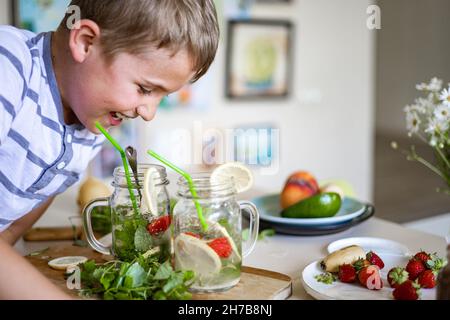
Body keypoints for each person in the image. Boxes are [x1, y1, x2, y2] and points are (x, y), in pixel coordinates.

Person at [0, 0, 219, 299]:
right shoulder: (9, 63)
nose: (149, 112)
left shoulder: (91, 122)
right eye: (144, 88)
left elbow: (8, 233)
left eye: (162, 96)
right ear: (86, 42)